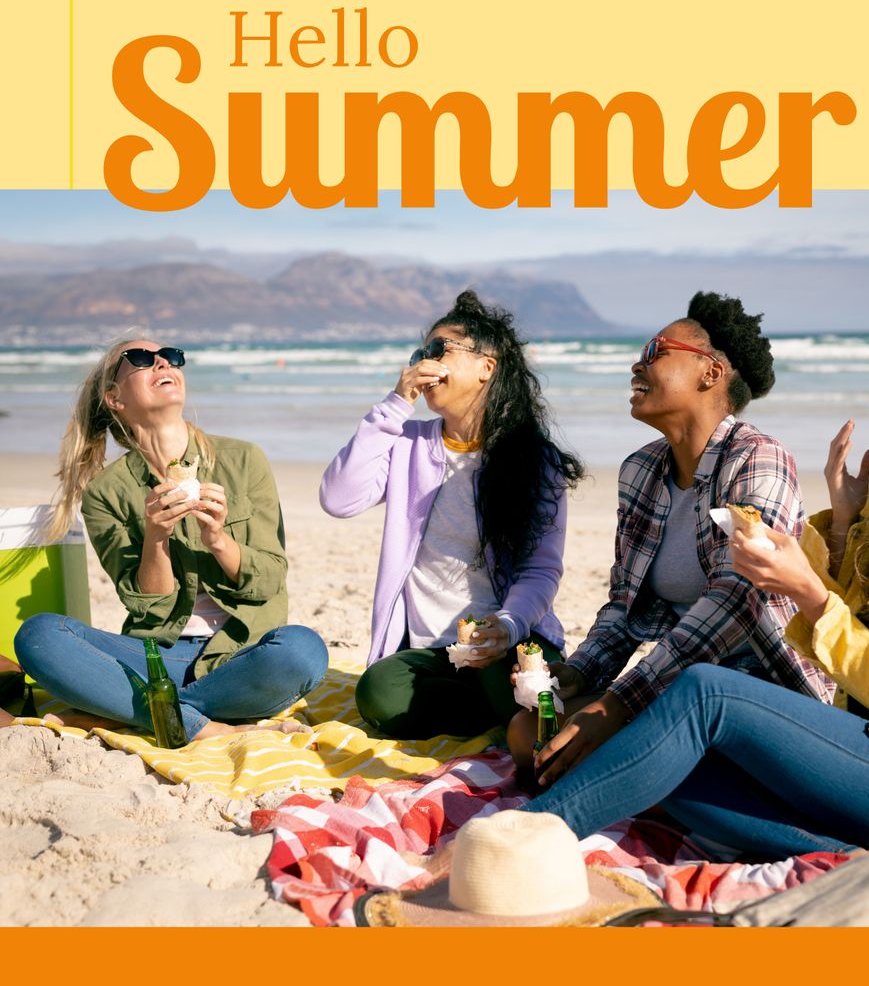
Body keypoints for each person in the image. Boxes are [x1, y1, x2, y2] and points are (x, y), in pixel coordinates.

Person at [522, 316, 869, 859]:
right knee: (661, 762)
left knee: (707, 694)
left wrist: (811, 596)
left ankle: (527, 836)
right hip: (866, 757)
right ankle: (845, 854)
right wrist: (843, 528)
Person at [508, 292, 832, 775]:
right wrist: (580, 672)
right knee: (530, 730)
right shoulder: (639, 471)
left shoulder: (758, 459)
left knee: (594, 743)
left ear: (711, 373)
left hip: (762, 686)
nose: (636, 367)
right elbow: (624, 605)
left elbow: (738, 599)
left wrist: (616, 704)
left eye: (655, 352)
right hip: (674, 681)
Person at [12, 339, 328, 741]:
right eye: (142, 359)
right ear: (115, 398)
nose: (163, 361)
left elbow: (269, 581)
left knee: (303, 651)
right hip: (157, 656)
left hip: (244, 654)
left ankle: (145, 710)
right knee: (38, 636)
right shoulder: (105, 493)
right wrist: (156, 539)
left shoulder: (244, 459)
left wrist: (218, 539)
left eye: (172, 356)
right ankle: (203, 726)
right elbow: (145, 606)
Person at [320, 291, 584, 739]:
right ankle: (503, 715)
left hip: (508, 637)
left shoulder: (535, 460)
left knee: (510, 684)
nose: (426, 360)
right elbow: (338, 499)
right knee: (378, 693)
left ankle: (517, 704)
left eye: (440, 349)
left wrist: (505, 626)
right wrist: (394, 405)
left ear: (487, 367)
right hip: (432, 651)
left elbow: (541, 569)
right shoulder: (406, 442)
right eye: (421, 352)